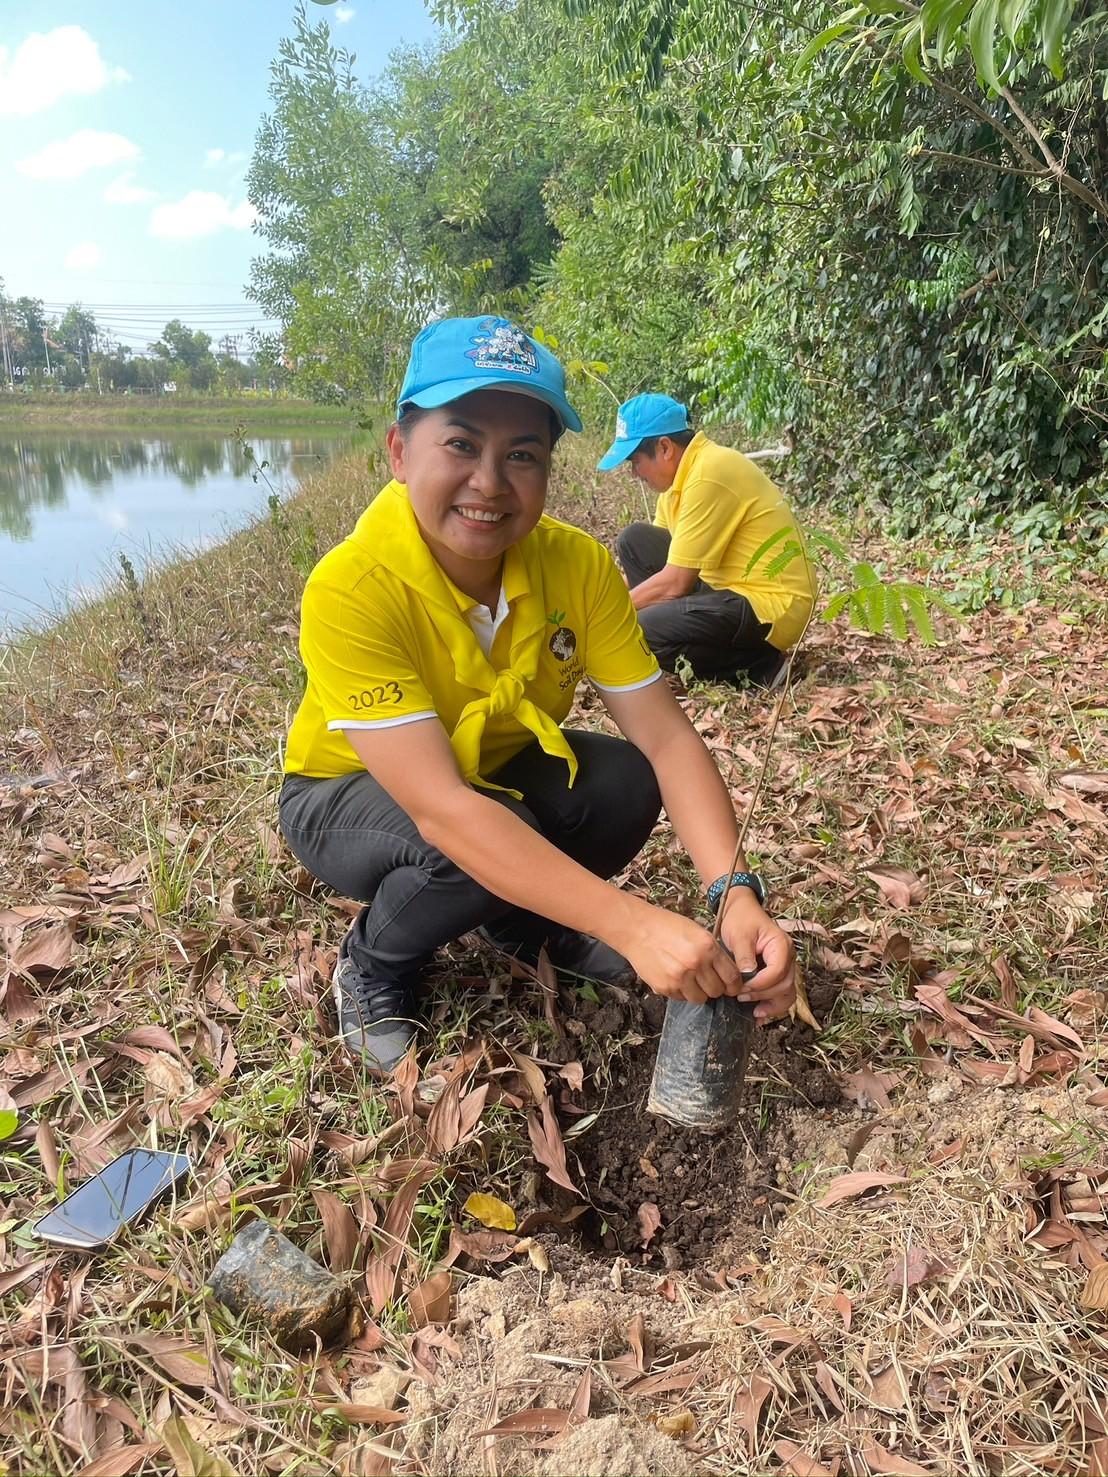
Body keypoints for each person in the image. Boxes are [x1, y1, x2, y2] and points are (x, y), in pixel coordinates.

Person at [278, 317, 796, 1072]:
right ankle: (372, 961)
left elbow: (667, 737)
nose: (490, 482)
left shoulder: (575, 567)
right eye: (460, 445)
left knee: (621, 783)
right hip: (342, 795)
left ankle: (520, 919)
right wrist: (631, 924)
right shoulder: (352, 586)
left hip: (490, 767)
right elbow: (442, 808)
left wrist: (733, 891)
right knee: (469, 841)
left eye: (522, 454)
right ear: (399, 450)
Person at [599, 393, 816, 687]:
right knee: (634, 540)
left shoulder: (709, 472)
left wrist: (609, 616)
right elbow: (661, 567)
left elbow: (676, 582)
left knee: (642, 629)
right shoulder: (676, 486)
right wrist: (598, 600)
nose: (635, 474)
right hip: (725, 593)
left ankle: (758, 666)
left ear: (664, 447)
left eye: (635, 462)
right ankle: (678, 632)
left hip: (770, 604)